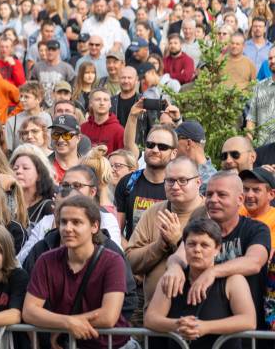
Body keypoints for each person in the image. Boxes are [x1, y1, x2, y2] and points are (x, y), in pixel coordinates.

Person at [160, 172, 270, 333]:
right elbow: (179, 255)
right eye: (209, 194)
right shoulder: (200, 229)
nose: (213, 199)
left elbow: (254, 262)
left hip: (246, 332)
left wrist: (213, 271)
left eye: (222, 195)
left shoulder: (255, 229)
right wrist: (174, 267)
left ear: (240, 199)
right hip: (201, 330)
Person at [22, 194, 132, 349]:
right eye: (63, 222)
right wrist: (67, 324)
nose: (68, 228)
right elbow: (29, 311)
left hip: (111, 345)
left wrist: (64, 325)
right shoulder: (46, 260)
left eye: (76, 222)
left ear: (94, 226)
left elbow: (108, 316)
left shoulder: (112, 261)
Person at [145, 218, 256, 349]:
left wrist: (205, 327)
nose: (197, 250)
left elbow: (249, 320)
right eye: (191, 244)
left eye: (204, 245)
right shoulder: (172, 278)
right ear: (184, 247)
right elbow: (150, 319)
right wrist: (179, 325)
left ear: (217, 249)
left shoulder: (233, 280)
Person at [125, 157, 207, 305]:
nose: (175, 186)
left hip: (195, 309)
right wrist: (159, 245)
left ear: (198, 182)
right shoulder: (153, 212)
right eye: (170, 181)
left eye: (183, 180)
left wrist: (177, 240)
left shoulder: (210, 212)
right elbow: (130, 263)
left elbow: (212, 264)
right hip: (152, 311)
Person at [116, 125, 178, 240]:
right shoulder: (128, 182)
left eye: (162, 147)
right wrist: (129, 249)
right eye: (150, 145)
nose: (155, 150)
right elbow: (117, 232)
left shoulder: (178, 187)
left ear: (174, 153)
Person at [10, 147, 55, 230]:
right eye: (15, 168)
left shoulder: (48, 207)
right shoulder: (8, 203)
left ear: (39, 174)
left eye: (25, 168)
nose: (18, 171)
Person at [239, 167, 275, 249]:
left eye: (256, 190)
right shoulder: (236, 212)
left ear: (271, 194)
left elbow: (269, 254)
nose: (249, 195)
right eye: (246, 189)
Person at [81, 88, 125, 154]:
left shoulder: (119, 131)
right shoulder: (83, 128)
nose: (102, 103)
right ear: (90, 103)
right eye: (98, 99)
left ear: (110, 104)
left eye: (105, 100)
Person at [49, 114, 83, 182]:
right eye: (56, 134)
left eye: (67, 135)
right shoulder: (43, 166)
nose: (60, 140)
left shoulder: (87, 166)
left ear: (78, 138)